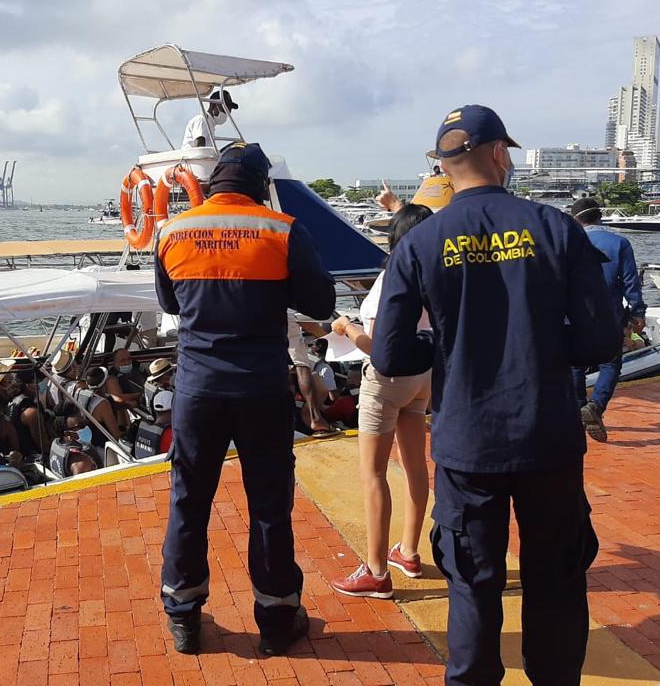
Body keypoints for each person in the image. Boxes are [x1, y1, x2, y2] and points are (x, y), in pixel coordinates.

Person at [373, 105, 620, 684]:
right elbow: (600, 339)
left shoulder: (420, 242)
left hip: (467, 442)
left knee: (472, 583)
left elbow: (390, 355)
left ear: (444, 165)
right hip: (548, 437)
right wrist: (541, 343)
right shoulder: (555, 228)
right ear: (500, 154)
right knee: (556, 579)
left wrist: (446, 354)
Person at [155, 142, 335, 656]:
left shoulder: (173, 231)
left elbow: (171, 301)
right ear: (261, 185)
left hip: (197, 390)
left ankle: (184, 615)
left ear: (213, 184)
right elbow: (320, 301)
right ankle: (278, 618)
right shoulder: (282, 230)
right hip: (260, 388)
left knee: (189, 500)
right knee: (269, 506)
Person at [329, 204, 434, 600]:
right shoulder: (436, 274)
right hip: (423, 377)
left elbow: (377, 347)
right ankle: (408, 551)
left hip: (387, 381)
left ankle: (374, 571)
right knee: (414, 465)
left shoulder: (393, 277)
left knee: (373, 473)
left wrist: (345, 326)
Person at [567, 197, 646, 443]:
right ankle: (595, 406)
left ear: (575, 218)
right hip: (608, 312)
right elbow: (631, 281)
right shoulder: (619, 243)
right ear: (600, 217)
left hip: (572, 313)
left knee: (575, 365)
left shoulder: (568, 241)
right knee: (610, 364)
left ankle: (578, 411)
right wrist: (637, 312)